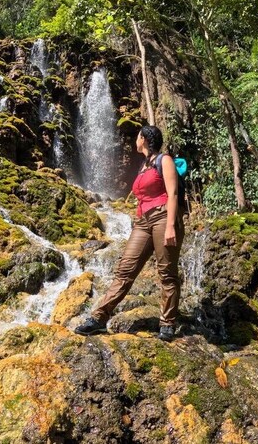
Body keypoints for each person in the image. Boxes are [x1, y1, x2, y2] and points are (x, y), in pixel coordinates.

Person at [75, 125, 185, 341]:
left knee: (167, 273)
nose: (135, 140)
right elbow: (142, 197)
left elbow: (172, 194)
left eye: (137, 136)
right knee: (125, 270)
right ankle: (98, 318)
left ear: (144, 138)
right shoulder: (144, 166)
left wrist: (171, 225)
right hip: (143, 222)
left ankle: (167, 323)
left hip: (164, 217)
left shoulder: (165, 161)